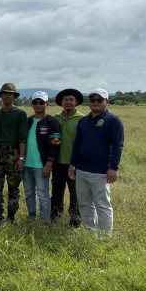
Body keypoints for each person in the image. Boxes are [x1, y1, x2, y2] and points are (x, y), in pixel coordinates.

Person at [69, 88, 124, 235]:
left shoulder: (113, 121)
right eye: (92, 100)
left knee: (102, 204)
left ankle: (104, 237)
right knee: (84, 203)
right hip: (82, 169)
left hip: (101, 171)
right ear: (88, 102)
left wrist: (113, 168)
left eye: (99, 100)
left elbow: (118, 145)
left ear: (107, 102)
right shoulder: (83, 121)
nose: (95, 102)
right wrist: (73, 163)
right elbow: (77, 143)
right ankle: (90, 232)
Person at [0, 83, 27, 224]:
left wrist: (21, 158)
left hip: (14, 153)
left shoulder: (20, 113)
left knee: (13, 187)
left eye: (10, 94)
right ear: (1, 96)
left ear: (14, 96)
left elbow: (22, 138)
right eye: (4, 93)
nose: (7, 96)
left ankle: (11, 217)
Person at [24, 92, 61, 222]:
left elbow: (55, 145)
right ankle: (31, 216)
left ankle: (44, 220)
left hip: (41, 166)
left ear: (47, 104)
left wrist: (48, 164)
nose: (38, 105)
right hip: (26, 164)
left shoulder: (52, 122)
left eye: (41, 102)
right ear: (31, 104)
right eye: (35, 102)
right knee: (29, 193)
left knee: (43, 193)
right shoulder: (28, 121)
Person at [52, 88, 85, 226]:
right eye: (65, 100)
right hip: (57, 162)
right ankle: (55, 217)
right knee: (56, 192)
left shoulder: (82, 119)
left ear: (76, 102)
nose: (68, 102)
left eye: (71, 100)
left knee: (75, 194)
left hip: (74, 164)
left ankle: (75, 221)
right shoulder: (55, 118)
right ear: (61, 102)